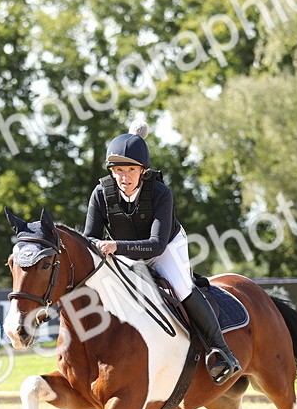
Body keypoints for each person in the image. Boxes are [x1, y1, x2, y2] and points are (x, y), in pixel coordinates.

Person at [82, 122, 241, 384]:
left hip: (165, 246)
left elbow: (156, 244)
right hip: (123, 252)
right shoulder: (100, 194)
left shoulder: (160, 193)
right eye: (118, 170)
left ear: (142, 171)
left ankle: (221, 351)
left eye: (131, 169)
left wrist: (116, 246)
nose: (124, 176)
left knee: (181, 288)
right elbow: (90, 237)